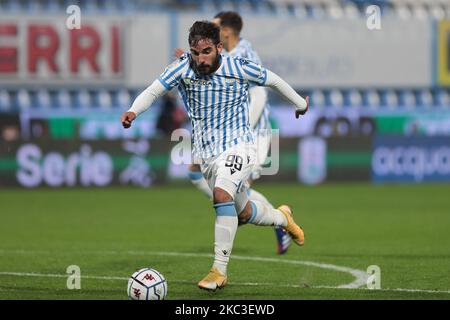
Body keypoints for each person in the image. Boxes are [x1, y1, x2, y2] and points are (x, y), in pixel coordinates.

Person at [121, 21, 308, 291]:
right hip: (207, 154)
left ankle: (218, 271)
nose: (200, 59)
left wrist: (300, 104)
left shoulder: (238, 67)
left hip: (240, 147)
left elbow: (273, 79)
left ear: (219, 47)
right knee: (243, 213)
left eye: (207, 51)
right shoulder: (182, 67)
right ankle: (282, 218)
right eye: (196, 53)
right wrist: (133, 111)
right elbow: (153, 90)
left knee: (222, 195)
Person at [178, 11, 292, 255]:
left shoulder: (240, 55)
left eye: (215, 26)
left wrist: (239, 132)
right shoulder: (227, 54)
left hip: (251, 133)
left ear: (225, 32)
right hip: (224, 135)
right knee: (196, 171)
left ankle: (276, 219)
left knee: (238, 187)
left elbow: (260, 93)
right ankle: (233, 203)